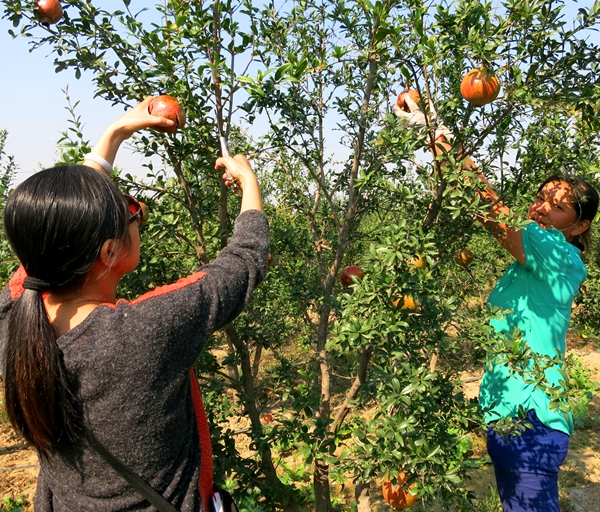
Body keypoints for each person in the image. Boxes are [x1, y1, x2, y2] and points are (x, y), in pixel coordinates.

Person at [0, 97, 269, 512]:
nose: (137, 213)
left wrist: (114, 134)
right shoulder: (148, 330)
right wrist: (249, 181)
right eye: (131, 211)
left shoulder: (13, 321)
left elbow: (49, 238)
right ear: (108, 251)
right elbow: (245, 261)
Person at [394, 95, 599, 511]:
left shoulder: (560, 256)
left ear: (579, 226)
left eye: (556, 207)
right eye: (541, 198)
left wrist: (436, 131)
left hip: (533, 419)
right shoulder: (532, 261)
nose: (541, 208)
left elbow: (490, 210)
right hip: (506, 412)